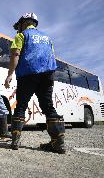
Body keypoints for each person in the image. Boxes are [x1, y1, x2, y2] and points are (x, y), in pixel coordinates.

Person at [4, 13, 66, 153]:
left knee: (20, 106)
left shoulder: (22, 36)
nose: (18, 29)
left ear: (23, 23)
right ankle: (58, 143)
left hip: (27, 74)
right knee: (48, 107)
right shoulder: (47, 38)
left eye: (18, 26)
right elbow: (52, 56)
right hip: (47, 75)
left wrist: (9, 75)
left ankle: (15, 141)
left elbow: (15, 55)